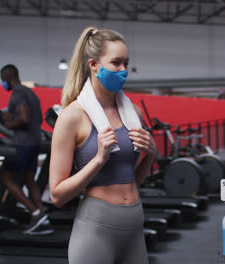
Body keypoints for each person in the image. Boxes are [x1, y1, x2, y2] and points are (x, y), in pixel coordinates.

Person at [49, 27, 157, 264]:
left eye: (126, 63)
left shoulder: (133, 113)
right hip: (96, 230)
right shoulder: (72, 117)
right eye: (116, 63)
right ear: (94, 65)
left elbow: (132, 180)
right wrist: (98, 160)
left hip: (134, 225)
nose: (124, 71)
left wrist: (150, 155)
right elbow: (57, 196)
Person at [0, 64, 54, 235]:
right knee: (30, 180)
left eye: (3, 81)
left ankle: (35, 213)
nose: (3, 84)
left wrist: (8, 123)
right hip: (34, 142)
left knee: (7, 180)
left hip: (21, 143)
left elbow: (24, 118)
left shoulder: (18, 93)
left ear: (7, 77)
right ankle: (43, 216)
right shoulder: (31, 93)